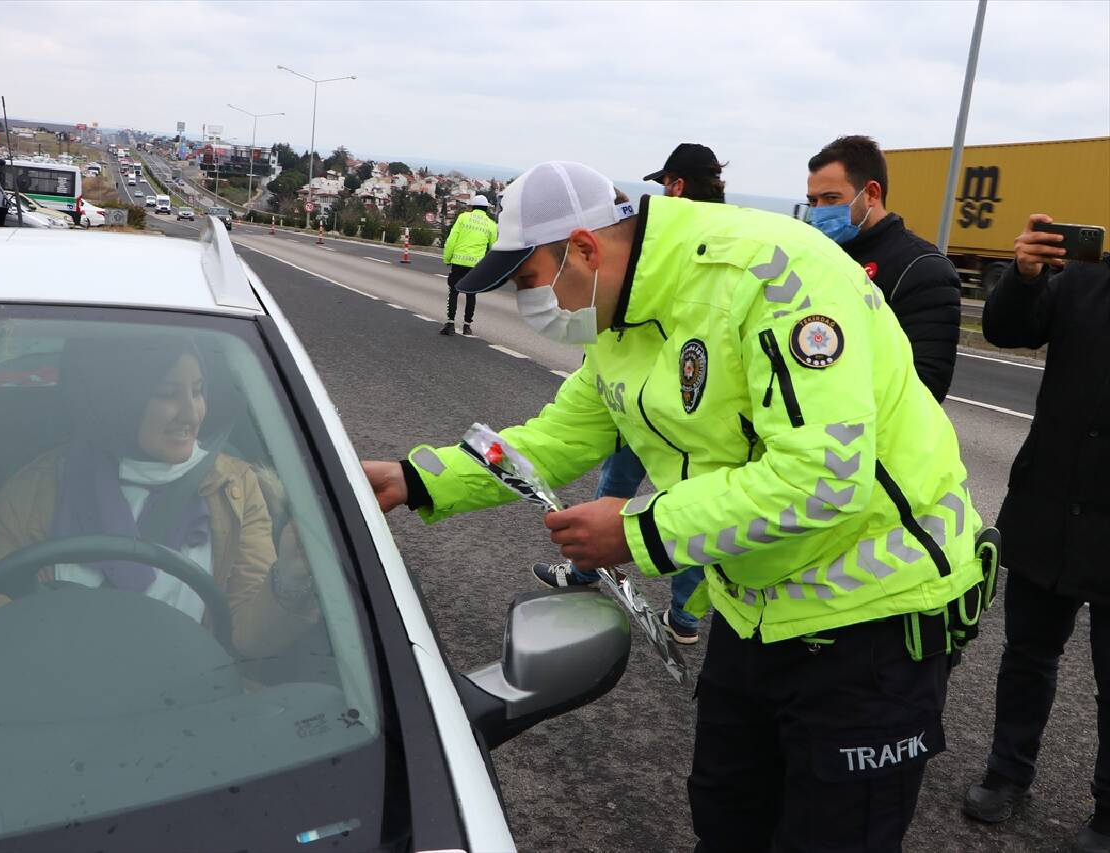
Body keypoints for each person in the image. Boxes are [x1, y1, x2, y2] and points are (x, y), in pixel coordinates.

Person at [363, 160, 987, 852]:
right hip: (756, 609)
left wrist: (637, 530)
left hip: (875, 616)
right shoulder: (619, 323)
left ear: (584, 248)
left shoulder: (772, 275)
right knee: (725, 815)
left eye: (529, 282)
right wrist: (414, 481)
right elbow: (554, 438)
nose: (528, 304)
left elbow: (823, 476)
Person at [0, 335, 315, 660]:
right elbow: (4, 632)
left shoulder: (235, 486)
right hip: (64, 698)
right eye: (167, 394)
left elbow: (246, 637)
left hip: (192, 702)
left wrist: (289, 580)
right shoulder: (33, 491)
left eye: (197, 391)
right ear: (117, 399)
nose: (192, 413)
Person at [530, 143, 728, 648]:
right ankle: (684, 616)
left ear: (677, 185)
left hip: (643, 407)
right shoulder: (730, 243)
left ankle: (585, 569)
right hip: (698, 418)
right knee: (700, 506)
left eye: (665, 183)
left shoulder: (666, 245)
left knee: (616, 490)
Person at [960, 213, 1109, 853]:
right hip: (1048, 507)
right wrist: (1023, 278)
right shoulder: (1083, 279)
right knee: (1027, 655)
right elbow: (1007, 329)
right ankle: (1007, 772)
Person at [806, 135, 961, 401]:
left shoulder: (921, 267)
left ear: (872, 194)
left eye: (831, 198)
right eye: (813, 201)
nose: (819, 211)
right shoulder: (818, 258)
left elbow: (926, 385)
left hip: (873, 434)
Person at [440, 194, 497, 336]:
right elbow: (493, 248)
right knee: (471, 295)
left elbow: (452, 239)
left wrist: (447, 258)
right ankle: (467, 326)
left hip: (459, 262)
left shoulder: (463, 218)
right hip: (475, 266)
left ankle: (450, 324)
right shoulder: (491, 225)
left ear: (471, 207)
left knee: (453, 292)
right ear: (486, 209)